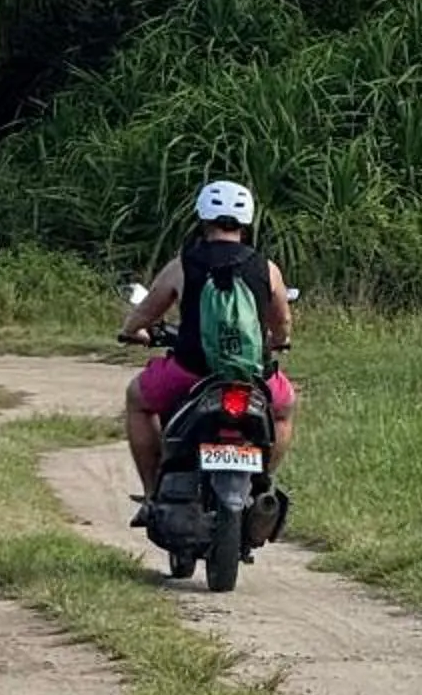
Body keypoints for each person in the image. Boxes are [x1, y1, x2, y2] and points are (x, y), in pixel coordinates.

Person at [118, 178, 295, 518]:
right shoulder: (266, 268)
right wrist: (278, 342)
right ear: (246, 222)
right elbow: (282, 322)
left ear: (203, 217)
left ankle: (152, 492)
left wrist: (131, 331)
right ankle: (264, 479)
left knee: (137, 399)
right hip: (252, 376)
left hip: (190, 372)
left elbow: (146, 311)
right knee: (285, 407)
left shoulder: (184, 264)